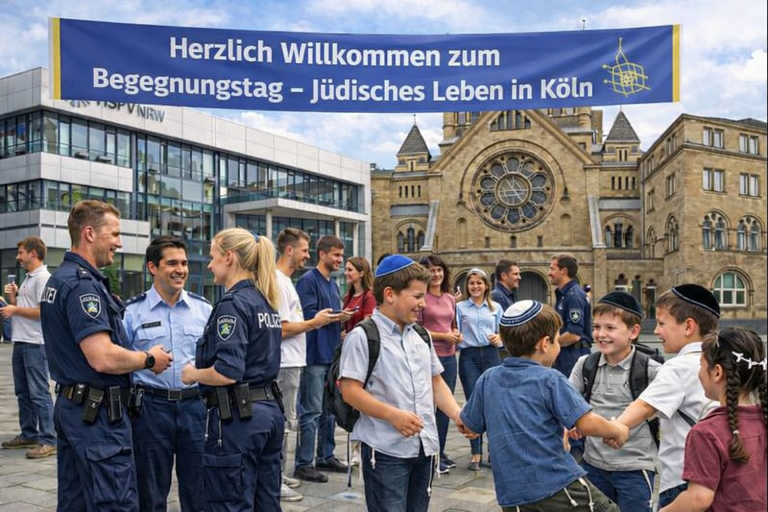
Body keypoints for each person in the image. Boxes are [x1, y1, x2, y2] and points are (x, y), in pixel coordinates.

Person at [40, 200, 173, 511]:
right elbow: (102, 357)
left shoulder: (61, 279)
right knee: (114, 502)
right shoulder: (82, 286)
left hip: (77, 410)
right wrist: (148, 359)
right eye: (114, 233)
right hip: (97, 419)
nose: (119, 241)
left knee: (77, 502)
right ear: (89, 233)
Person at [460, 300, 628, 511]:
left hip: (513, 495)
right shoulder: (550, 379)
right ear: (544, 343)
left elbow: (470, 426)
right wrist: (618, 429)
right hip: (556, 483)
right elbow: (587, 423)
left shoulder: (488, 379)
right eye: (557, 341)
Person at [338, 255, 474, 512]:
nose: (423, 304)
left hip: (424, 446)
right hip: (386, 450)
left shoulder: (420, 335)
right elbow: (350, 391)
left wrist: (457, 415)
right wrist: (393, 415)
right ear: (390, 294)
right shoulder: (363, 336)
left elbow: (435, 381)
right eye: (417, 296)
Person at [181, 228, 283, 510]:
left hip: (240, 420)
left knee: (229, 503)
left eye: (213, 257)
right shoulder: (265, 301)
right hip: (268, 414)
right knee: (267, 503)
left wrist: (193, 374)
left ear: (229, 258)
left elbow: (228, 371)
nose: (210, 265)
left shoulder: (232, 305)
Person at [123, 236, 212, 512]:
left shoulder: (204, 310)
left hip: (194, 408)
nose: (180, 269)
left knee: (199, 488)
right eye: (172, 263)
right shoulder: (131, 312)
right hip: (150, 409)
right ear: (152, 267)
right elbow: (120, 362)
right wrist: (144, 361)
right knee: (150, 490)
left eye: (184, 263)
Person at [611, 284, 720, 508]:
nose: (657, 331)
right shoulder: (721, 363)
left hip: (682, 480)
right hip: (716, 479)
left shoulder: (678, 367)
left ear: (689, 326)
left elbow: (645, 406)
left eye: (662, 324)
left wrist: (618, 427)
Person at [568, 291, 661, 512]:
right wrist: (572, 423)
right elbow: (568, 402)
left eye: (610, 328)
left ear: (634, 331)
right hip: (593, 465)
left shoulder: (651, 370)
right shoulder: (585, 364)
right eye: (597, 327)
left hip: (635, 467)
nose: (601, 334)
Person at [660, 327, 767, 512]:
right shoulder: (762, 420)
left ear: (717, 372)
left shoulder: (706, 432)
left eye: (701, 365)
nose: (699, 372)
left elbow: (699, 498)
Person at [275, 228, 338, 501]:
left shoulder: (287, 281)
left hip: (299, 361)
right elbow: (280, 328)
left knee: (292, 419)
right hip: (289, 362)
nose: (307, 255)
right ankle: (279, 478)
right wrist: (316, 322)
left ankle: (278, 475)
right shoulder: (280, 282)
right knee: (288, 420)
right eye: (303, 250)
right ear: (289, 250)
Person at [293, 235, 353, 482]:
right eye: (336, 255)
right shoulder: (308, 281)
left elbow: (328, 316)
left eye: (341, 256)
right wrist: (334, 317)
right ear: (322, 254)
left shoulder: (331, 283)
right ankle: (303, 463)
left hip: (330, 357)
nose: (340, 260)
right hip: (313, 357)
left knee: (329, 411)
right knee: (311, 411)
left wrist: (340, 319)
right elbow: (308, 318)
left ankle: (325, 455)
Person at [0, 237, 56, 459]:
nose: (18, 257)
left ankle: (49, 439)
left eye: (21, 252)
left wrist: (14, 310)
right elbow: (23, 308)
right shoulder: (29, 279)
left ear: (33, 253)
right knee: (23, 392)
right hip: (21, 341)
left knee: (39, 393)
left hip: (35, 344)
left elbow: (44, 312)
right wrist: (12, 299)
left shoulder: (43, 278)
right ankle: (29, 433)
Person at [418, 255, 462, 474]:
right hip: (429, 356)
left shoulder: (449, 297)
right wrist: (443, 336)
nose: (435, 274)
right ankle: (430, 452)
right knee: (428, 406)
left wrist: (454, 334)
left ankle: (441, 450)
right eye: (431, 270)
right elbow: (417, 329)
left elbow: (452, 324)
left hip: (449, 356)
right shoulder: (421, 297)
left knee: (445, 407)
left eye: (439, 270)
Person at [456, 267, 502, 471]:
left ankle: (495, 452)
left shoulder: (496, 308)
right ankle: (476, 452)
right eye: (472, 283)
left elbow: (504, 334)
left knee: (494, 402)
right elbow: (454, 331)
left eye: (479, 283)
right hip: (469, 357)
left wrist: (500, 338)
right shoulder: (459, 308)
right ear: (467, 286)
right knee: (473, 402)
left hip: (492, 355)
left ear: (486, 286)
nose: (475, 286)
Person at [548, 254, 592, 377]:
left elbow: (574, 335)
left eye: (552, 268)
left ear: (564, 271)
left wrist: (552, 346)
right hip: (567, 354)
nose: (549, 273)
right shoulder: (564, 294)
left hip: (573, 355)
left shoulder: (574, 296)